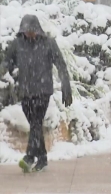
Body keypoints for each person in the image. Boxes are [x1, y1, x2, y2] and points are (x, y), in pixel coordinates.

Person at [0, 15, 72, 172]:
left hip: (43, 91)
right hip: (25, 92)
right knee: (35, 125)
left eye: (31, 30)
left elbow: (61, 65)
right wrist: (4, 68)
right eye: (26, 31)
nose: (29, 33)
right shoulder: (17, 44)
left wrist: (66, 86)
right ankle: (43, 157)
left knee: (36, 122)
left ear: (38, 29)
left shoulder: (49, 44)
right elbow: (8, 62)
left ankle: (29, 156)